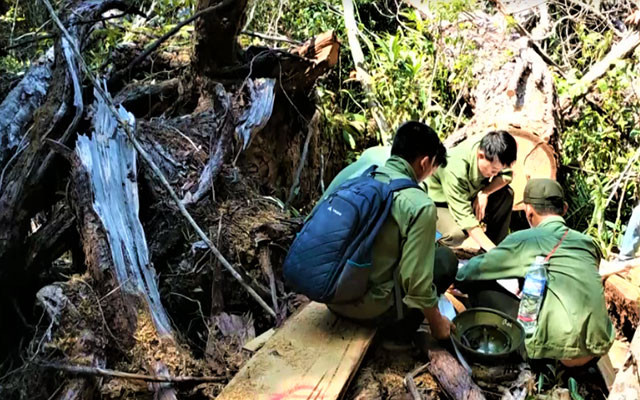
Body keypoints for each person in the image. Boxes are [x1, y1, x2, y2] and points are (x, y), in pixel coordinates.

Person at [456, 179, 614, 366]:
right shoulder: (588, 243)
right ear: (564, 209)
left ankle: (524, 357)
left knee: (478, 284)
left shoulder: (525, 240)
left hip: (554, 351)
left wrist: (455, 279)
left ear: (529, 211)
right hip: (596, 349)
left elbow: (470, 272)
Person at [325, 121, 458, 341]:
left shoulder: (360, 179)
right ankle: (399, 337)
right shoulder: (419, 204)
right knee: (445, 259)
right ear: (425, 163)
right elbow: (416, 283)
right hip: (370, 312)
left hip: (331, 297)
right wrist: (437, 324)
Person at [426, 131, 517, 252]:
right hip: (440, 204)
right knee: (456, 233)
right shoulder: (454, 168)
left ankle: (493, 249)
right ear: (480, 155)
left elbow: (506, 176)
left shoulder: (494, 154)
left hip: (469, 195)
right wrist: (493, 251)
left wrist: (485, 192)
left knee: (506, 195)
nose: (495, 174)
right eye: (493, 170)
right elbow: (465, 217)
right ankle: (436, 247)